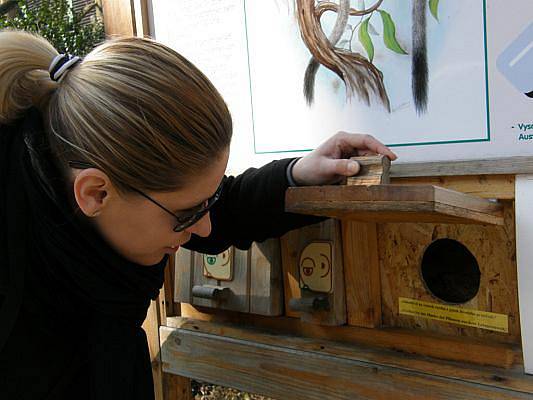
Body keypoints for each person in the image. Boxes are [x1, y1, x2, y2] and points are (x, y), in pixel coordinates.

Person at [0, 30, 397, 399]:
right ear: (94, 193)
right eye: (185, 214)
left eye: (205, 203)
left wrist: (297, 175)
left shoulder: (75, 197)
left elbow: (218, 209)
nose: (205, 226)